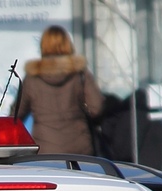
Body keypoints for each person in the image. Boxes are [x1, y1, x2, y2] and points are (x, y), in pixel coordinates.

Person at [13, 25, 105, 155]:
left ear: (43, 45)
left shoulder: (32, 77)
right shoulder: (80, 73)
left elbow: (15, 116)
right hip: (80, 148)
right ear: (68, 44)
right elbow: (96, 107)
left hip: (45, 149)